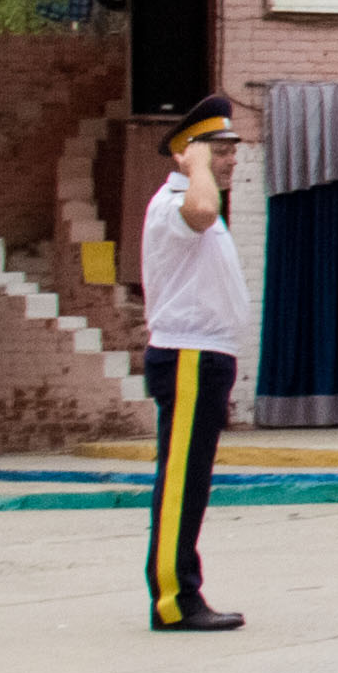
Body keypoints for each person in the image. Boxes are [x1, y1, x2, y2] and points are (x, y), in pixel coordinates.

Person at [139, 97, 254, 629]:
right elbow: (203, 211)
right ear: (189, 154)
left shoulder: (199, 203)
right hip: (187, 356)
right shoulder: (178, 205)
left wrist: (202, 165)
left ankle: (180, 591)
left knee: (193, 481)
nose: (232, 160)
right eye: (220, 150)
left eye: (232, 150)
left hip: (205, 357)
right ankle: (174, 601)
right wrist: (197, 166)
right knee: (182, 481)